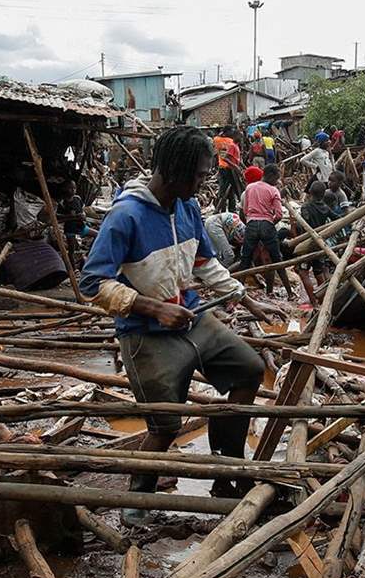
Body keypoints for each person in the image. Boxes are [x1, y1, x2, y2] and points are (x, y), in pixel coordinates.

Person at [78, 128, 273, 520]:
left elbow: (204, 261)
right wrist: (153, 308)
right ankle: (138, 501)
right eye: (199, 176)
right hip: (146, 334)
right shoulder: (126, 215)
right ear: (174, 172)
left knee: (248, 370)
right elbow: (92, 283)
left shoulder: (187, 208)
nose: (204, 183)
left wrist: (242, 294)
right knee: (165, 425)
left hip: (193, 317)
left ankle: (226, 470)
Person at [241, 163, 290, 297]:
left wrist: (252, 218)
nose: (277, 181)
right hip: (267, 225)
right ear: (271, 175)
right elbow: (279, 215)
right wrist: (269, 223)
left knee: (245, 259)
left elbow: (245, 209)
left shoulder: (249, 188)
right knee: (276, 259)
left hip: (251, 224)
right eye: (277, 178)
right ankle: (288, 293)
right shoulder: (274, 190)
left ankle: (238, 292)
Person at [211, 129, 243, 212]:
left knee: (229, 190)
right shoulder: (230, 143)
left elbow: (234, 158)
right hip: (228, 169)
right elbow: (225, 157)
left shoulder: (219, 140)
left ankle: (229, 209)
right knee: (231, 190)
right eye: (240, 136)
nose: (241, 138)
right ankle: (222, 209)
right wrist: (236, 166)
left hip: (226, 168)